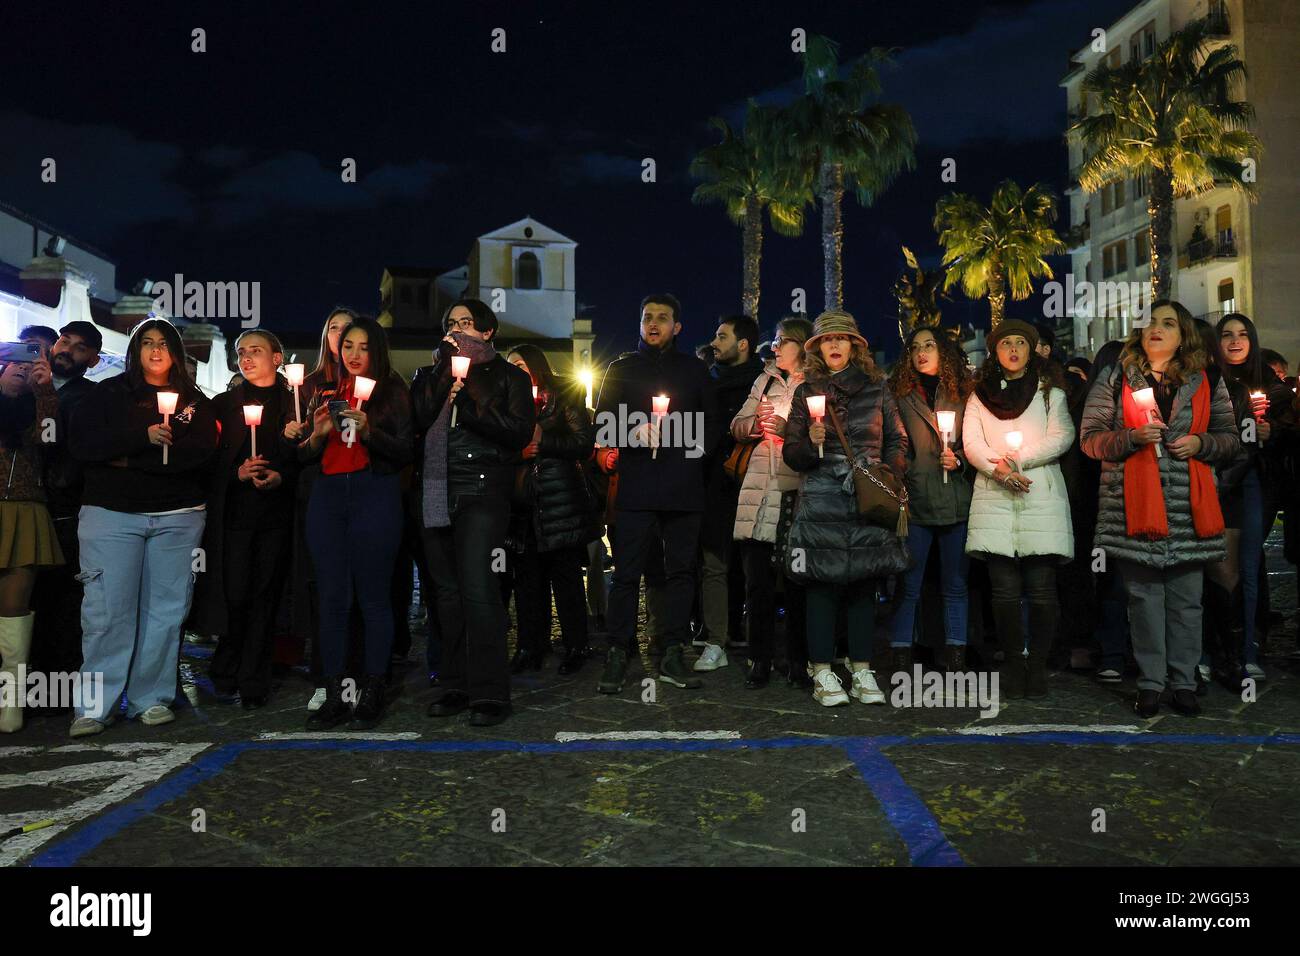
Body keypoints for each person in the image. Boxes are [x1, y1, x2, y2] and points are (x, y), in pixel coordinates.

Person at [1080, 300, 1241, 718]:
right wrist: (1131, 438)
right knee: (1143, 598)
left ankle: (1184, 682)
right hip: (1134, 507)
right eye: (1150, 321)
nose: (1157, 328)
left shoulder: (1206, 381)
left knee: (1187, 600)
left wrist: (1201, 444)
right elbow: (1090, 439)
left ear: (1182, 334)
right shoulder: (1115, 378)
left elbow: (1230, 439)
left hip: (1189, 506)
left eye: (1168, 323)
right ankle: (1150, 683)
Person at [68, 317, 218, 736]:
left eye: (164, 343)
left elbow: (198, 456)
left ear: (176, 352)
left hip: (178, 516)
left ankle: (151, 698)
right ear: (134, 350)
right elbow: (84, 445)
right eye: (146, 342)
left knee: (166, 612)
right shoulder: (107, 394)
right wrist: (141, 438)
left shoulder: (195, 402)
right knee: (107, 610)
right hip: (112, 515)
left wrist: (127, 461)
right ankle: (95, 705)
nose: (155, 350)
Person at [413, 299, 534, 726]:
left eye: (466, 323)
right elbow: (420, 417)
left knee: (479, 589)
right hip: (434, 488)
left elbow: (518, 433)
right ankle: (454, 684)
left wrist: (473, 399)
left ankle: (489, 692)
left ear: (487, 332)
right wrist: (446, 371)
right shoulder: (430, 373)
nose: (457, 330)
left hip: (482, 489)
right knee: (445, 595)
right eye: (451, 324)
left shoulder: (509, 377)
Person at [594, 294, 720, 694]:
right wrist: (631, 432)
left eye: (663, 318)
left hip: (683, 487)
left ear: (677, 327)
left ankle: (672, 652)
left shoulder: (694, 370)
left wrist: (689, 452)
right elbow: (600, 425)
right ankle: (617, 652)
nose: (654, 323)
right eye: (647, 316)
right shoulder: (620, 368)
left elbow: (714, 426)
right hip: (637, 486)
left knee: (681, 573)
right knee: (627, 573)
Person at [783, 310, 909, 707]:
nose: (834, 345)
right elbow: (792, 453)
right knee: (821, 582)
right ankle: (820, 668)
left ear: (855, 345)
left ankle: (861, 667)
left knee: (863, 582)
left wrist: (886, 474)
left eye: (842, 338)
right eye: (826, 339)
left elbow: (897, 440)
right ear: (817, 347)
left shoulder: (878, 387)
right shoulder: (806, 392)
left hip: (866, 495)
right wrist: (810, 443)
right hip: (822, 495)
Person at [298, 316, 413, 730]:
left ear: (376, 350)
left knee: (373, 598)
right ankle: (335, 693)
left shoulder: (393, 389)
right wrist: (315, 435)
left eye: (363, 347)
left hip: (373, 494)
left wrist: (370, 434)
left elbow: (405, 450)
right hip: (328, 497)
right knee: (332, 598)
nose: (354, 354)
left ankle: (373, 688)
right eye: (348, 346)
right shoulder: (325, 390)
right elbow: (302, 454)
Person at [962, 319, 1074, 700]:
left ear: (1031, 349)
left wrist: (1018, 461)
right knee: (1004, 591)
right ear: (995, 350)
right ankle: (1013, 663)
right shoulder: (979, 394)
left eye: (1020, 343)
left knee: (1041, 590)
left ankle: (1037, 665)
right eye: (1005, 343)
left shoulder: (1048, 392)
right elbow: (971, 441)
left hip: (1038, 494)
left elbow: (1062, 435)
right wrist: (999, 471)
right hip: (995, 497)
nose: (1013, 349)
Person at [190, 330, 297, 708]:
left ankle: (254, 679)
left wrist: (281, 473)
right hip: (234, 516)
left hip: (277, 515)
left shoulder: (295, 403)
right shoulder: (222, 405)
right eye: (241, 352)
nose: (247, 358)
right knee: (235, 593)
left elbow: (307, 457)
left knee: (265, 595)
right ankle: (226, 667)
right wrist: (236, 473)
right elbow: (205, 459)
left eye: (256, 350)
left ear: (277, 358)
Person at [505, 344, 600, 675]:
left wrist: (543, 443)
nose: (516, 371)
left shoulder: (562, 393)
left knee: (567, 579)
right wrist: (519, 453)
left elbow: (582, 443)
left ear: (536, 367)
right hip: (523, 506)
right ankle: (531, 645)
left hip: (560, 501)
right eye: (511, 366)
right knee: (528, 581)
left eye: (521, 365)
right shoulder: (506, 403)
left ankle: (576, 645)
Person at [1209, 313, 1293, 683]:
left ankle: (1249, 648)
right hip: (1216, 480)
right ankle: (1216, 647)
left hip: (1255, 482)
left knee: (1248, 562)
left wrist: (1270, 430)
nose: (1235, 340)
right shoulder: (1208, 378)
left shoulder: (1270, 383)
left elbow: (1289, 429)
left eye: (1243, 333)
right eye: (1226, 334)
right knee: (1215, 564)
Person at [730, 316, 812, 688]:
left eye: (782, 341)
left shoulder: (813, 386)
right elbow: (736, 423)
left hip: (794, 493)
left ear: (802, 345)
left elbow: (820, 435)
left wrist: (789, 430)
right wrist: (754, 426)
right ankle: (759, 660)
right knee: (757, 585)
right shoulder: (763, 381)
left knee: (796, 584)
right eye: (774, 341)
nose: (775, 347)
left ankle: (798, 660)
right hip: (758, 494)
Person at [887, 326, 975, 673]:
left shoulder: (965, 393)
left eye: (929, 345)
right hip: (916, 500)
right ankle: (901, 655)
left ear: (944, 352)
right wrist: (901, 470)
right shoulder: (898, 393)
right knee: (908, 583)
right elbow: (893, 440)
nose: (921, 352)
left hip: (956, 500)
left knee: (956, 584)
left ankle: (956, 657)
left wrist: (960, 459)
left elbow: (979, 439)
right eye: (915, 347)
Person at [285, 307, 358, 711]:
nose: (341, 335)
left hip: (359, 489)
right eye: (334, 328)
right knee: (319, 583)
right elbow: (292, 449)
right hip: (316, 489)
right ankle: (324, 670)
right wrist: (295, 432)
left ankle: (359, 666)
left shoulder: (367, 383)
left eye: (349, 329)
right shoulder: (307, 386)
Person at [30, 321, 102, 681]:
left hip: (62, 514)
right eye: (63, 341)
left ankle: (56, 684)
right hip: (20, 505)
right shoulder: (21, 384)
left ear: (92, 359)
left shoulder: (90, 396)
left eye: (79, 347)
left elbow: (59, 445)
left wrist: (46, 396)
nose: (66, 350)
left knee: (59, 600)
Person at [0, 350, 64, 732]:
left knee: (14, 608)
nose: (22, 370)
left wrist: (45, 391)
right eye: (14, 363)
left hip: (23, 509)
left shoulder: (40, 406)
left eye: (30, 365)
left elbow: (49, 439)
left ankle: (10, 702)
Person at [696, 315, 764, 673]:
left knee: (754, 565)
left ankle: (756, 641)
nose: (713, 342)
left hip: (753, 482)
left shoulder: (764, 384)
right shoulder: (707, 382)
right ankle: (715, 639)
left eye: (721, 336)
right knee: (715, 562)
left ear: (743, 344)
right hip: (715, 485)